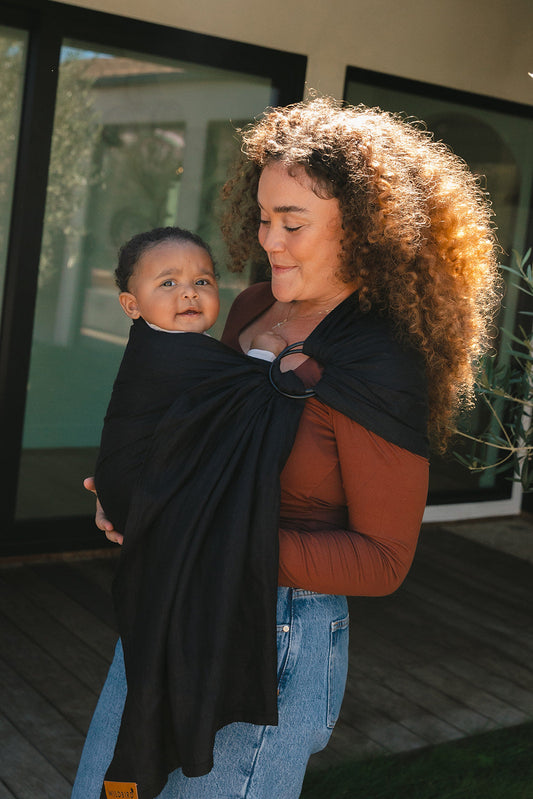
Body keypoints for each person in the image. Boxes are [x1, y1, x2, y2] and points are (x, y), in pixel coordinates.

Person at [73, 96, 500, 799]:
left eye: (292, 222)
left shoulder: (376, 358)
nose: (267, 240)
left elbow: (384, 559)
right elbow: (203, 441)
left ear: (364, 229)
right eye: (264, 216)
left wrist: (211, 536)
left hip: (274, 639)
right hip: (175, 600)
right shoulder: (246, 311)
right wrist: (139, 494)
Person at [94, 225, 287, 536]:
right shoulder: (167, 354)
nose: (189, 292)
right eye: (168, 282)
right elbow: (243, 404)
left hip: (137, 493)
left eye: (202, 281)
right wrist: (263, 357)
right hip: (151, 494)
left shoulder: (162, 343)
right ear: (132, 305)